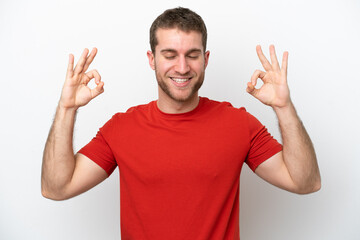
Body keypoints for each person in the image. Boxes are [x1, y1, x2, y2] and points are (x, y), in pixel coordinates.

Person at [41, 7, 321, 240]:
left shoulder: (238, 124)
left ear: (206, 59)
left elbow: (305, 182)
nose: (183, 67)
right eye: (170, 55)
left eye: (192, 55)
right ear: (152, 59)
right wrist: (67, 108)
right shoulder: (121, 128)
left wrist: (283, 107)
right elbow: (56, 188)